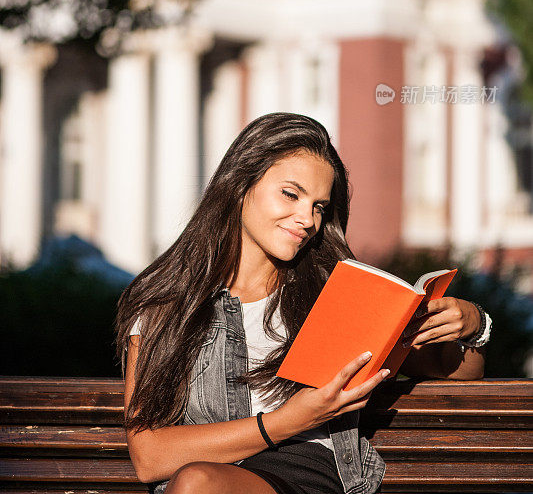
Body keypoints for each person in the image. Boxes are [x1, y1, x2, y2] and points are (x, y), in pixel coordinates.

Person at [116, 112, 489, 494]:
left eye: (319, 207)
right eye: (291, 194)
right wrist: (287, 420)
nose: (307, 219)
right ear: (240, 185)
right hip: (209, 474)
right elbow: (149, 457)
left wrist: (474, 325)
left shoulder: (337, 294)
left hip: (306, 473)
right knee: (198, 481)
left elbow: (457, 371)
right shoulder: (167, 305)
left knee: (198, 484)